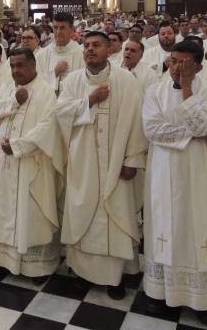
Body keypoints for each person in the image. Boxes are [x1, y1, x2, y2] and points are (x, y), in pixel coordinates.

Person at [142, 41, 207, 325]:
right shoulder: (155, 91)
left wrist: (189, 90)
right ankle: (163, 293)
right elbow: (153, 130)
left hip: (199, 174)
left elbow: (204, 126)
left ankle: (202, 299)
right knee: (166, 227)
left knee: (199, 228)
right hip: (163, 172)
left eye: (184, 62)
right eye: (173, 60)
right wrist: (193, 133)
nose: (177, 67)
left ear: (199, 66)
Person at [56, 32, 147, 298]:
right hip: (83, 163)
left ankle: (114, 278)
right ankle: (83, 273)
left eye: (96, 45)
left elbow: (136, 121)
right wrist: (89, 101)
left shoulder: (126, 81)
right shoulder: (73, 81)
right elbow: (60, 114)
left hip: (116, 163)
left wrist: (132, 158)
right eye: (86, 46)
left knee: (115, 215)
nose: (90, 50)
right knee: (82, 212)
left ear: (109, 50)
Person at [0, 48, 64, 281]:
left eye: (20, 66)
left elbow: (49, 126)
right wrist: (13, 102)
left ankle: (34, 266)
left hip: (30, 163)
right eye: (13, 66)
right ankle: (3, 259)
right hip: (3, 164)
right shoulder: (9, 88)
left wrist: (18, 146)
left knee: (30, 211)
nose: (16, 71)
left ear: (33, 66)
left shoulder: (45, 92)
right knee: (3, 206)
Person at [35, 12, 85, 96]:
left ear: (72, 30)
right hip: (49, 104)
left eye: (62, 28)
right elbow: (36, 83)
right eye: (55, 28)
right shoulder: (42, 54)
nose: (58, 32)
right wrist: (54, 73)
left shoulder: (81, 54)